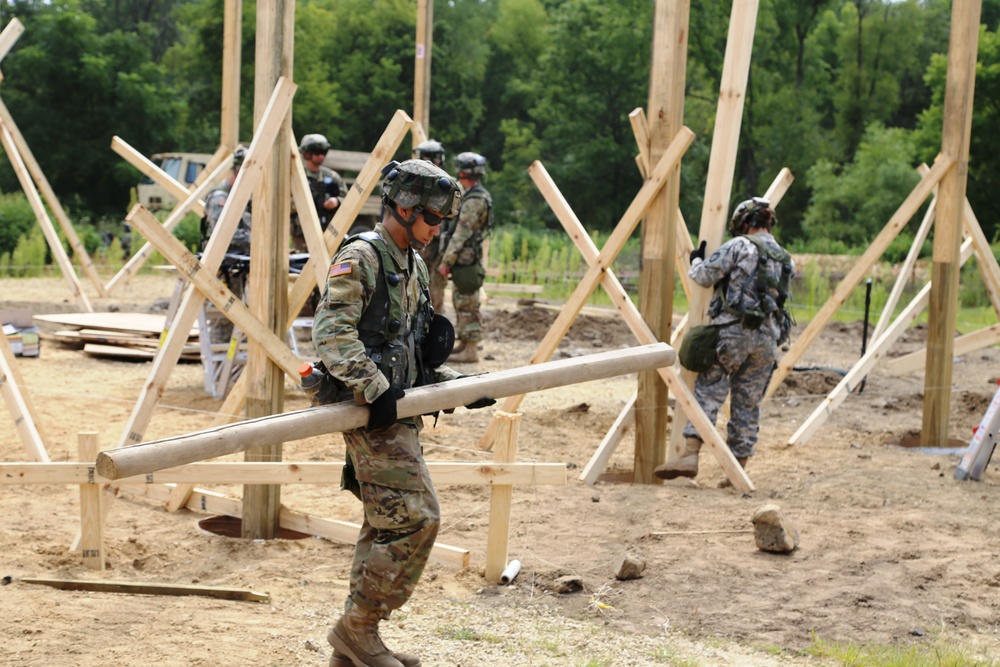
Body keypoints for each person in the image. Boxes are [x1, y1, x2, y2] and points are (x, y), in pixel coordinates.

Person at [313, 158, 494, 667]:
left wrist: (457, 387)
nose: (438, 230)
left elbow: (407, 349)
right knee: (416, 520)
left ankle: (353, 647)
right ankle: (357, 628)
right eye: (434, 220)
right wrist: (374, 389)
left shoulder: (410, 261)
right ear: (406, 207)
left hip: (397, 409)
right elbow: (331, 333)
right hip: (368, 411)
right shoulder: (365, 256)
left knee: (385, 522)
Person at [655, 197, 794, 485]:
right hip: (767, 339)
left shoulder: (738, 246)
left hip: (733, 333)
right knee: (748, 403)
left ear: (744, 223)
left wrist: (696, 258)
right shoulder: (784, 256)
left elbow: (703, 276)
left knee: (709, 392)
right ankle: (737, 472)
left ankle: (691, 455)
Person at [436, 151, 493, 363]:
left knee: (468, 303)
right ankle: (464, 343)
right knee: (460, 300)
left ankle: (471, 349)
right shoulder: (473, 195)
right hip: (465, 260)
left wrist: (446, 261)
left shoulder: (474, 200)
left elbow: (461, 234)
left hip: (465, 260)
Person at [200, 145, 253, 345]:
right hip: (221, 266)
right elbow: (223, 234)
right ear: (238, 170)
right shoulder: (220, 197)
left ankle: (230, 372)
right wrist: (256, 240)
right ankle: (216, 366)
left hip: (237, 266)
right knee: (222, 318)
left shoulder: (243, 196)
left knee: (238, 316)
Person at [291, 133, 348, 253]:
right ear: (306, 154)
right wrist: (300, 204)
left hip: (329, 231)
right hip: (303, 234)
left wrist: (337, 201)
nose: (321, 156)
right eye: (317, 152)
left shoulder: (333, 177)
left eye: (324, 152)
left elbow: (348, 201)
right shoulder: (296, 177)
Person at [412, 139, 448, 312]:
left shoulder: (447, 186)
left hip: (438, 247)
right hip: (417, 244)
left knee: (435, 290)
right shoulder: (412, 183)